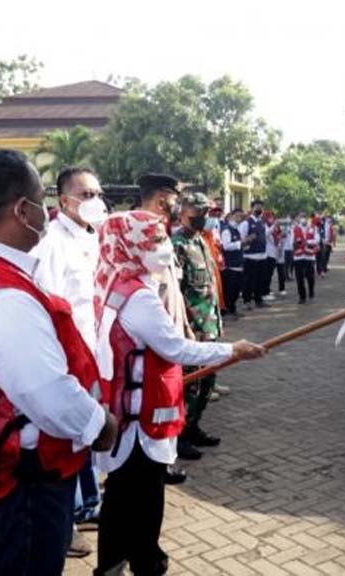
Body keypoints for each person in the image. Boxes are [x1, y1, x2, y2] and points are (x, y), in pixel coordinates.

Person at [0, 149, 117, 576]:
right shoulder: (2, 294)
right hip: (20, 484)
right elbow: (48, 396)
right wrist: (100, 425)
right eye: (39, 201)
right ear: (21, 209)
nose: (44, 213)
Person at [93, 210, 265, 576]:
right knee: (144, 497)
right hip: (140, 418)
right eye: (154, 241)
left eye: (163, 238)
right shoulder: (137, 297)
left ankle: (112, 562)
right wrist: (232, 350)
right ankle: (144, 562)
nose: (164, 248)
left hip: (128, 407)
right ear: (131, 245)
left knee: (122, 495)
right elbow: (177, 349)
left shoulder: (114, 281)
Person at [33, 166, 109, 557]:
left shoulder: (92, 237)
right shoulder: (53, 244)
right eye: (86, 194)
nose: (95, 200)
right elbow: (50, 305)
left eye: (98, 192)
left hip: (94, 350)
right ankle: (69, 518)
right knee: (71, 434)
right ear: (64, 201)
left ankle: (88, 504)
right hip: (68, 354)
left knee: (88, 430)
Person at [136, 173, 193, 483]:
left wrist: (184, 326)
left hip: (170, 332)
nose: (177, 207)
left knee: (171, 399)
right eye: (173, 202)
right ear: (161, 201)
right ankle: (156, 461)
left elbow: (173, 286)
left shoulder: (161, 233)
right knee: (154, 403)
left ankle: (165, 457)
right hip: (152, 337)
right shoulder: (137, 235)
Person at [173, 193, 225, 460]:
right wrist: (184, 328)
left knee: (208, 380)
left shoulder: (202, 242)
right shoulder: (177, 245)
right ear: (182, 211)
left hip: (209, 326)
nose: (203, 215)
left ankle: (193, 427)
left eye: (206, 210)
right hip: (192, 329)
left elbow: (210, 289)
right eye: (198, 210)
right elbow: (175, 292)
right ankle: (179, 435)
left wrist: (217, 321)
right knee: (190, 384)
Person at [239, 199, 269, 309]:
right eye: (257, 206)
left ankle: (258, 300)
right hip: (250, 256)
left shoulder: (261, 223)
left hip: (262, 255)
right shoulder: (246, 223)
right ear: (252, 208)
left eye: (261, 207)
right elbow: (241, 240)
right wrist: (248, 240)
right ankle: (247, 301)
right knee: (249, 280)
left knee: (260, 280)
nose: (259, 209)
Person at [219, 208, 248, 320]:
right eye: (237, 216)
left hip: (238, 264)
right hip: (230, 265)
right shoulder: (227, 230)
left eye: (241, 216)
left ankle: (233, 309)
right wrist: (240, 243)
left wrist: (244, 244)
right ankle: (227, 311)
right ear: (231, 215)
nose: (239, 218)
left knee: (236, 290)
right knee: (229, 290)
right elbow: (226, 246)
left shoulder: (236, 230)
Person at [293, 213, 319, 304]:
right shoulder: (295, 228)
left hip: (309, 255)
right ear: (299, 219)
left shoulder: (313, 228)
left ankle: (311, 291)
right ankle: (302, 296)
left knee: (310, 276)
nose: (303, 219)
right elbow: (291, 242)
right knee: (299, 277)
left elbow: (317, 240)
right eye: (301, 217)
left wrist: (306, 242)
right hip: (298, 256)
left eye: (304, 217)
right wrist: (297, 243)